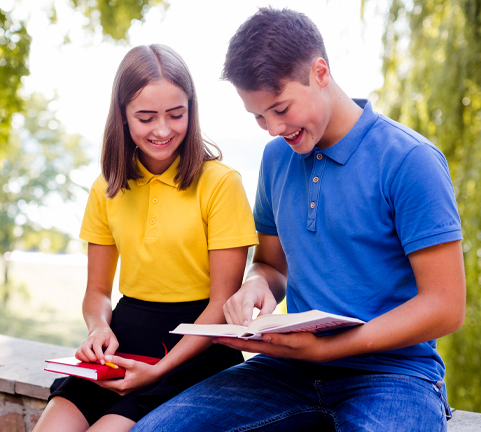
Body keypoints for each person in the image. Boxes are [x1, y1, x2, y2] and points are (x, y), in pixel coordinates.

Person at [131, 8, 466, 432]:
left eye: (280, 108)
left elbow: (446, 306)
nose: (272, 129)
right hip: (287, 372)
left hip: (395, 376)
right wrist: (255, 286)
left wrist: (327, 351)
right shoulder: (276, 159)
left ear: (320, 72)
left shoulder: (409, 160)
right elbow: (272, 265)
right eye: (258, 117)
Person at [32, 44, 258, 432]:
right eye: (146, 117)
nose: (162, 129)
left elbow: (223, 303)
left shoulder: (221, 184)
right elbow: (98, 292)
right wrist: (98, 329)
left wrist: (159, 370)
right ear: (122, 116)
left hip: (195, 350)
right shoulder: (107, 188)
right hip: (125, 339)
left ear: (192, 110)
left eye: (176, 114)